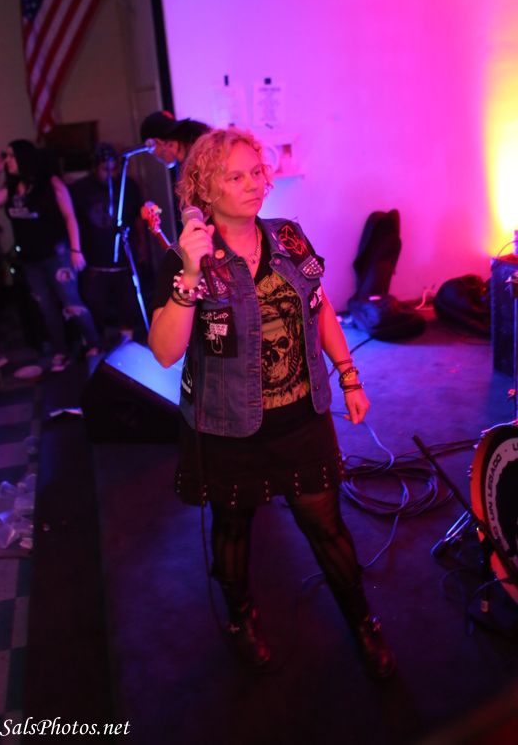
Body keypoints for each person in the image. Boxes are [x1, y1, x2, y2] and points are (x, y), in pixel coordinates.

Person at [148, 127, 395, 679]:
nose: (253, 184)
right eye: (235, 176)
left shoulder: (289, 237)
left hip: (300, 416)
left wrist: (349, 375)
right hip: (226, 427)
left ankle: (363, 622)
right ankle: (241, 619)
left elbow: (320, 307)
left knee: (327, 527)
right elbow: (164, 352)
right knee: (233, 528)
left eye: (256, 172)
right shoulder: (187, 258)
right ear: (205, 190)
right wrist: (190, 274)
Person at [0, 139, 100, 371]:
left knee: (71, 302)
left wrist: (76, 249)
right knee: (45, 306)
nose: (8, 160)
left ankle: (94, 344)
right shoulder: (12, 188)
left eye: (12, 156)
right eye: (6, 156)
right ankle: (61, 351)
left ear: (24, 157)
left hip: (56, 254)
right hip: (30, 259)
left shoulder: (50, 183)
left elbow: (69, 216)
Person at [70, 143, 145, 342]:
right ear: (95, 167)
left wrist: (142, 245)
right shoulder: (80, 189)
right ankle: (97, 343)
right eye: (105, 169)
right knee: (95, 304)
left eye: (114, 169)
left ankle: (128, 341)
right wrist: (75, 250)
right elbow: (72, 220)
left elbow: (138, 218)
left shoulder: (128, 186)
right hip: (94, 260)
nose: (111, 174)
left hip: (124, 259)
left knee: (128, 304)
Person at [140, 111, 210, 169]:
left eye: (151, 150)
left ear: (158, 142)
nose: (156, 157)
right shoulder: (189, 161)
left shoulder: (203, 158)